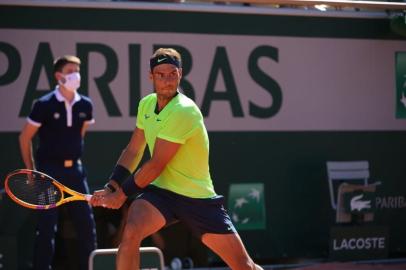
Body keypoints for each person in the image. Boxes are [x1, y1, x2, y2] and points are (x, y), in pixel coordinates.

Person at [91, 48, 263, 270]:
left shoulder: (184, 111)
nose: (167, 80)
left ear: (180, 74)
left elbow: (155, 165)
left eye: (172, 73)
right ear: (151, 77)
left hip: (196, 198)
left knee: (244, 266)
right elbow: (134, 150)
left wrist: (122, 194)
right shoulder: (146, 104)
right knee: (132, 230)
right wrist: (111, 186)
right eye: (160, 74)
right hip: (162, 194)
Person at [19, 55, 97, 270]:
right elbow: (24, 138)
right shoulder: (44, 104)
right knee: (46, 229)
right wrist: (31, 171)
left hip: (76, 173)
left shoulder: (86, 105)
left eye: (78, 70)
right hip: (48, 172)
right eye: (71, 70)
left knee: (87, 226)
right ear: (59, 76)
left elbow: (80, 136)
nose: (76, 75)